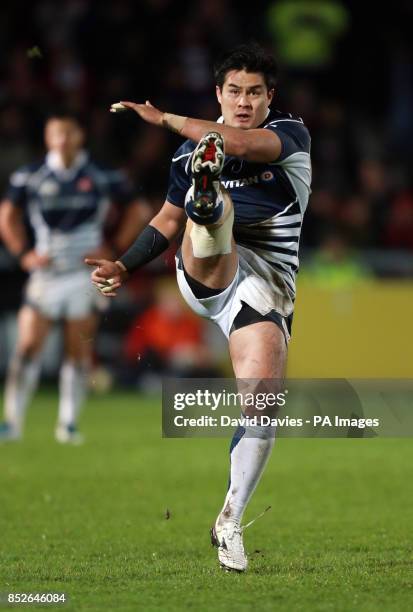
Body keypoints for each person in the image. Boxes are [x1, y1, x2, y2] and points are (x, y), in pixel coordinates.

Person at [87, 43, 311, 571]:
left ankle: (229, 520)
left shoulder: (289, 135)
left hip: (267, 287)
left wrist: (163, 117)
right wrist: (124, 264)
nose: (243, 100)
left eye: (255, 92)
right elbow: (165, 221)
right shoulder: (189, 153)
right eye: (233, 90)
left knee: (263, 405)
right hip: (208, 271)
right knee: (210, 210)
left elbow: (233, 140)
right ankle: (208, 202)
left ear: (269, 97)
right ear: (218, 93)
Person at [0, 113, 148, 444]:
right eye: (55, 133)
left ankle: (67, 423)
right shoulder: (31, 176)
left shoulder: (101, 174)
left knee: (76, 350)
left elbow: (138, 210)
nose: (62, 140)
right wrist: (23, 253)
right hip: (46, 273)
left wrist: (114, 247)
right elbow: (6, 214)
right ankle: (11, 421)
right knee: (26, 346)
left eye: (68, 133)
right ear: (47, 137)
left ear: (80, 136)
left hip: (85, 273)